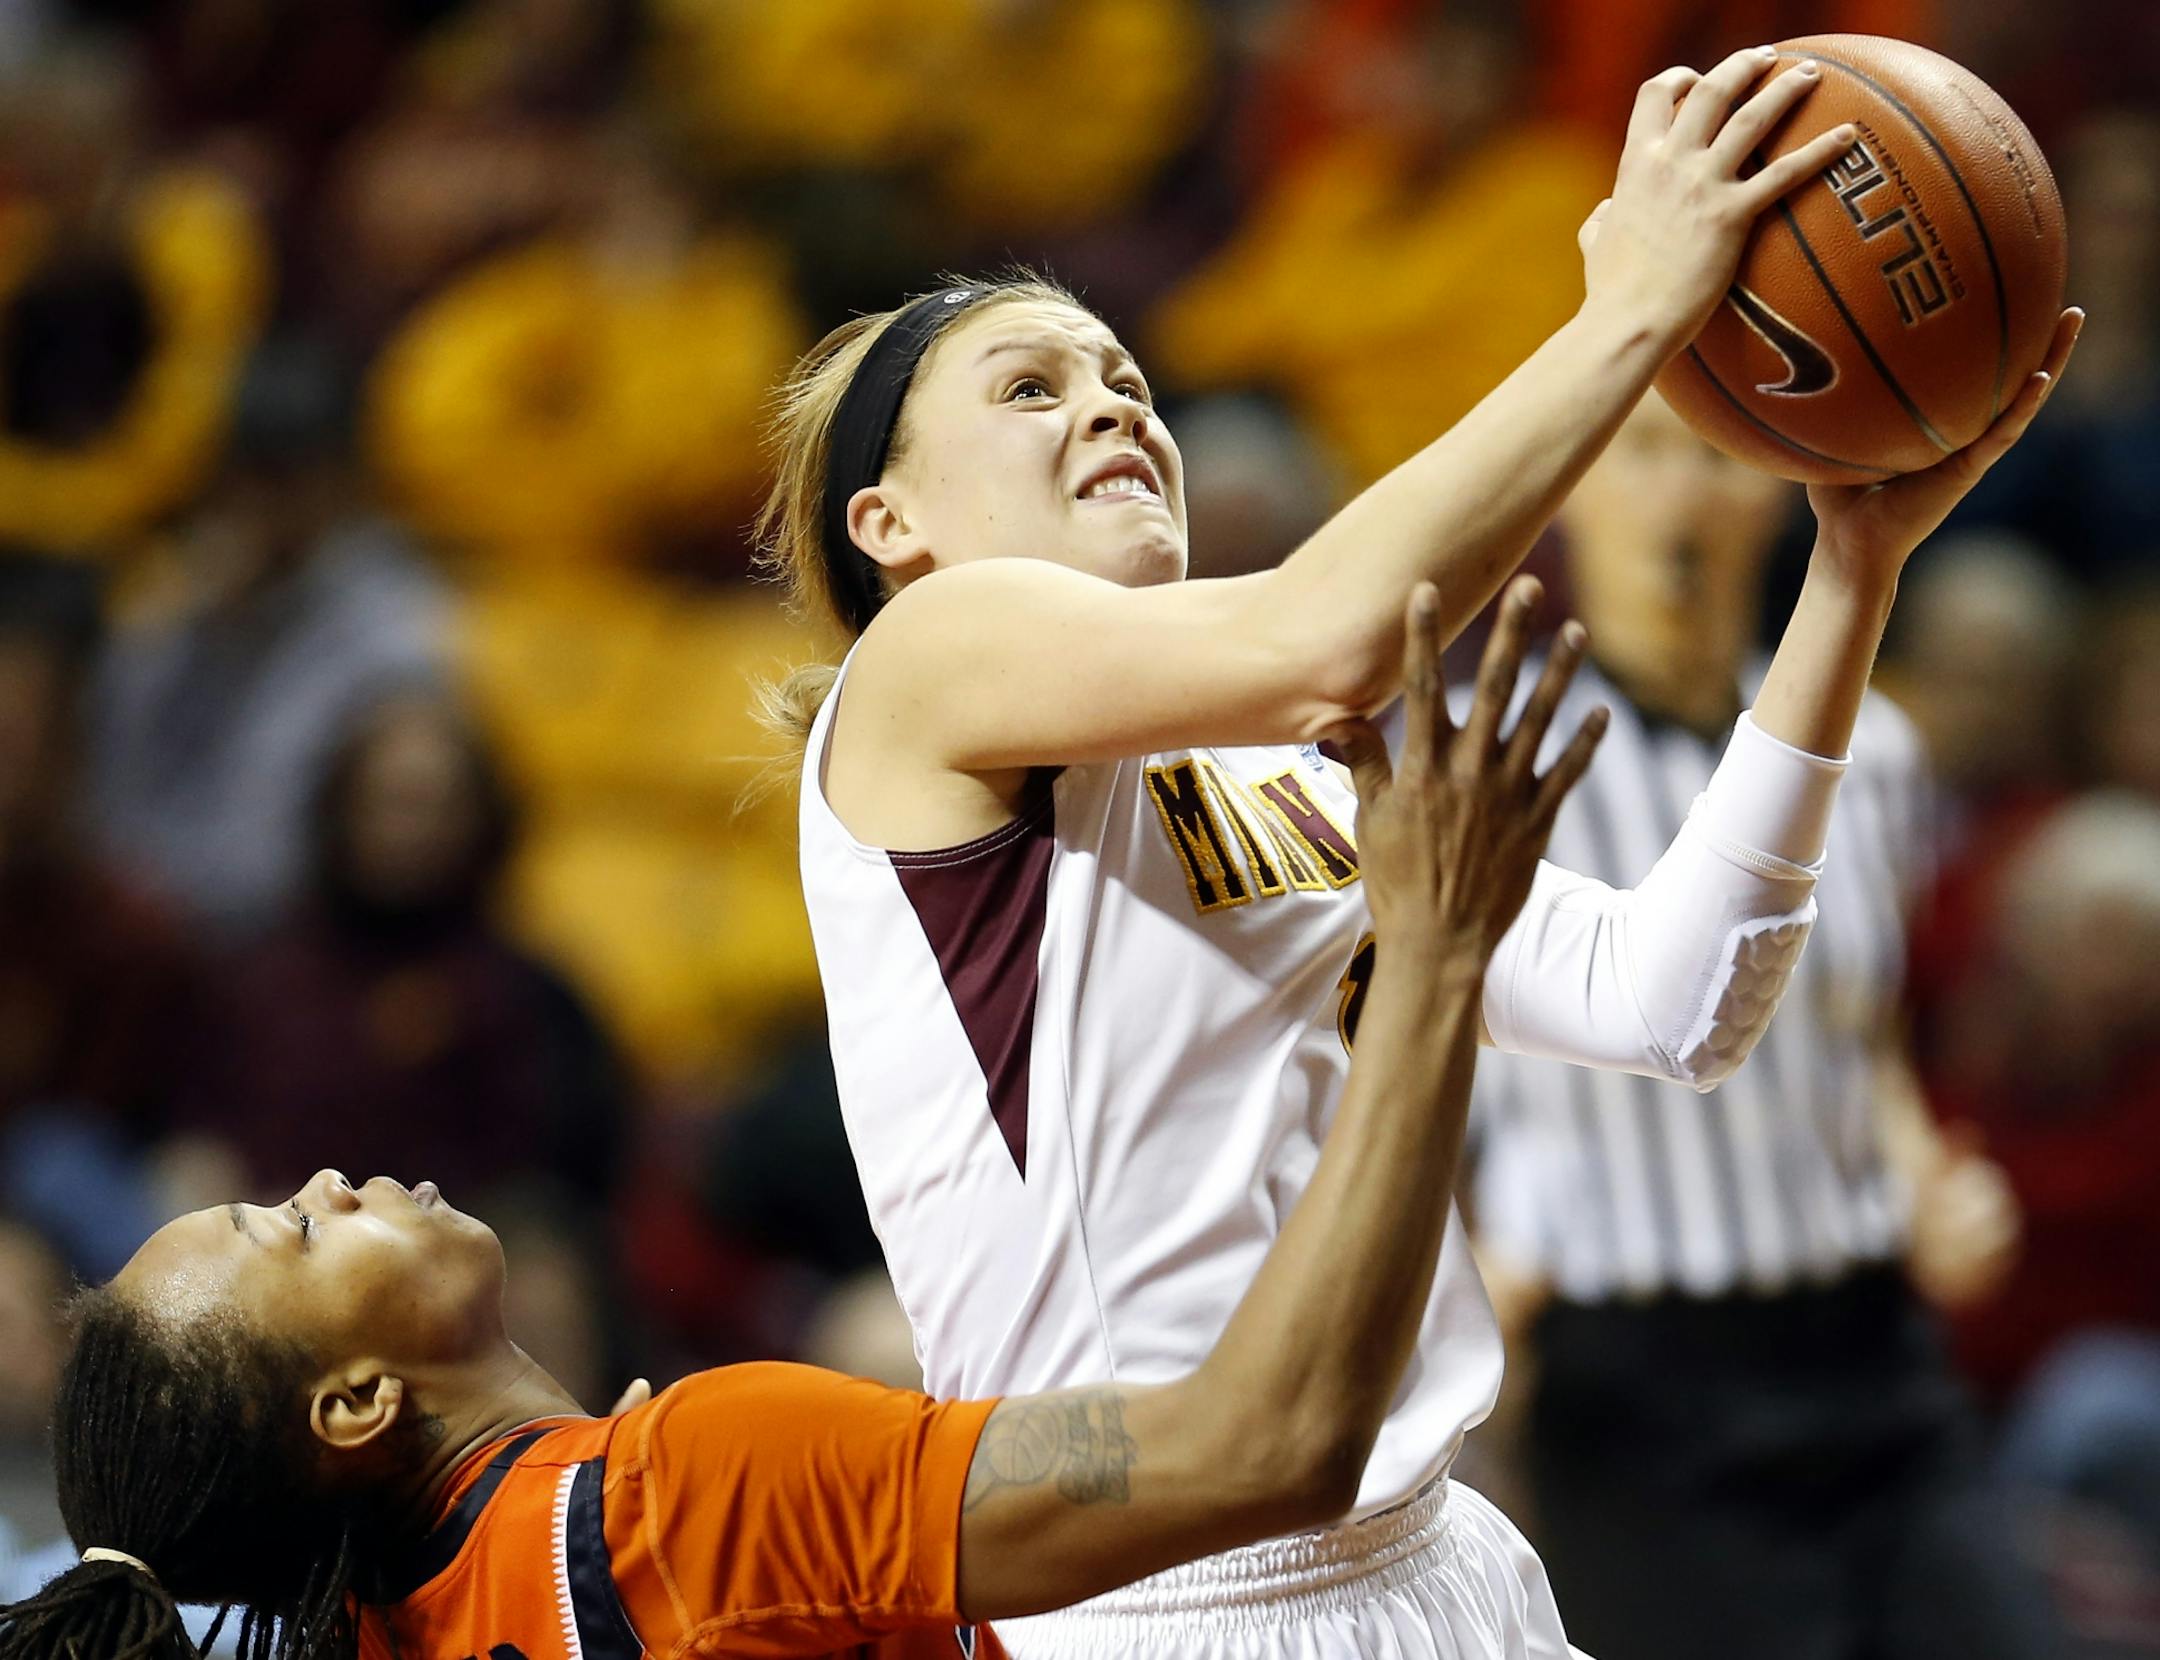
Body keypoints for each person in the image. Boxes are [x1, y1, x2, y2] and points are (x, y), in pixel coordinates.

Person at [766, 49, 2083, 1658]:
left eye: (1125, 378)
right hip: (1169, 1605)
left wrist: (1850, 571)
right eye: (1031, 386)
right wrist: (1630, 313)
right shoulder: (921, 666)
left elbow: (1673, 1005)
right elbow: (1328, 633)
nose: (1113, 401)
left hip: (1444, 1558)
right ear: (888, 526)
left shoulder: (1246, 776)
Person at [0, 584, 1601, 1660]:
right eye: (291, 1229)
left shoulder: (381, 1621)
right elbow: (1275, 1443)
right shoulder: (687, 1494)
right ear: (351, 1405)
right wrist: (1434, 962)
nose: (329, 1181)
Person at [1464, 393, 2054, 1660]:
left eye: (1720, 459)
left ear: (1780, 486)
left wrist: (1927, 1174)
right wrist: (1453, 1258)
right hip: (1631, 1375)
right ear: (1571, 485)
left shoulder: (1877, 750)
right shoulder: (1483, 759)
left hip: (1867, 1348)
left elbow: (1862, 1035)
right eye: (1644, 453)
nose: (1681, 495)